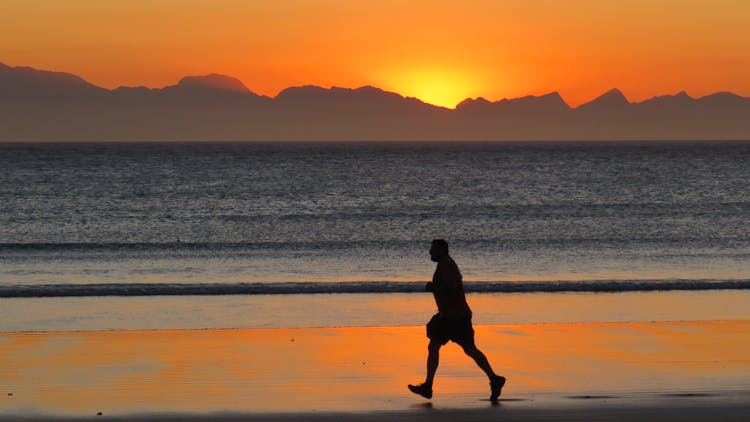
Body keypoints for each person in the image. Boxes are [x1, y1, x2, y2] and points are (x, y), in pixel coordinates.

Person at [408, 239, 505, 401]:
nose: (430, 252)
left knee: (455, 348)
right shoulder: (445, 264)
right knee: (462, 349)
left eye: (433, 249)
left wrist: (433, 288)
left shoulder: (446, 265)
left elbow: (451, 288)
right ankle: (494, 379)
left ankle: (428, 386)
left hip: (455, 318)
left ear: (441, 250)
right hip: (452, 316)